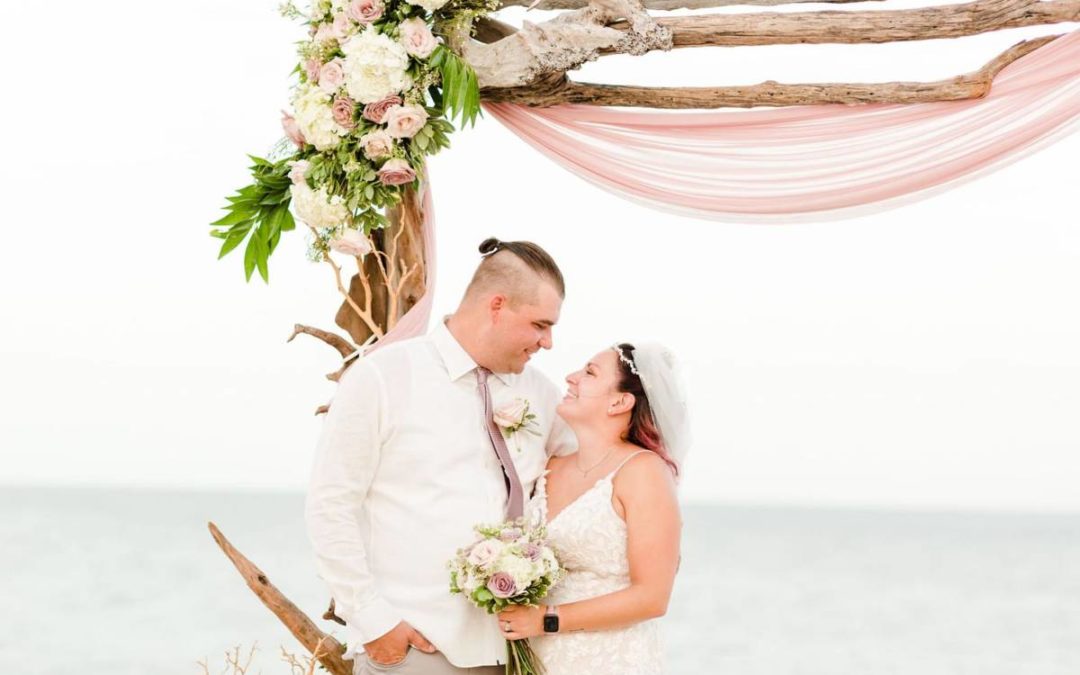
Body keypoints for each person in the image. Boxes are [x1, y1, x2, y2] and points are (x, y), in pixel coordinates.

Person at [305, 237, 577, 675]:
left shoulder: (541, 394)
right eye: (539, 324)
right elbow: (330, 503)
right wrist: (375, 623)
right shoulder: (383, 376)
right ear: (497, 306)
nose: (547, 342)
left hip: (517, 654)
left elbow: (593, 475)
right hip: (416, 650)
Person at [497, 342, 689, 674]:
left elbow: (653, 597)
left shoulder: (644, 472)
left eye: (589, 372)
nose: (571, 378)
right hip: (542, 658)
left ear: (619, 401)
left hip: (612, 658)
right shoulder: (551, 467)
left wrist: (546, 620)